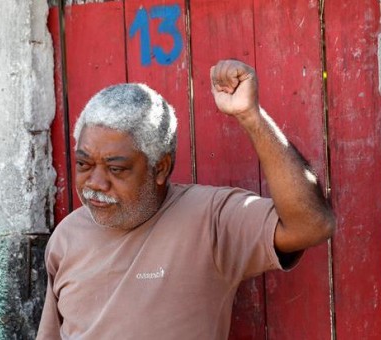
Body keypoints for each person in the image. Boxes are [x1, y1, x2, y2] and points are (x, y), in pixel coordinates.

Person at [37, 60, 335, 339]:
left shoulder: (209, 219)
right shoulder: (66, 237)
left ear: (161, 167)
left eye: (116, 169)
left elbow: (312, 225)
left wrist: (251, 117)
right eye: (84, 165)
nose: (96, 183)